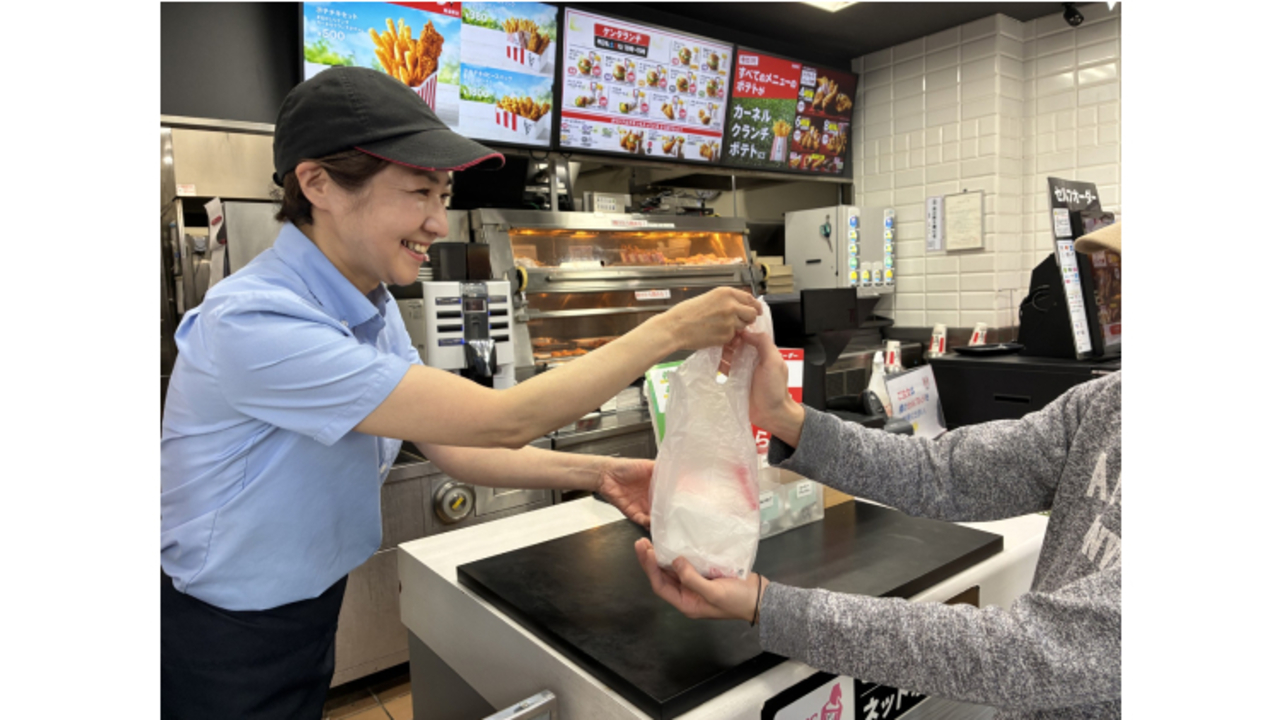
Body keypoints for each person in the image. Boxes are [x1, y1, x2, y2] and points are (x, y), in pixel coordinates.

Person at [161, 66, 760, 720]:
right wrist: (670, 328)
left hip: (305, 607)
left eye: (443, 195)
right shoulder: (255, 323)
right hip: (224, 631)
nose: (438, 223)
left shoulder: (369, 304)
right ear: (318, 183)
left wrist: (601, 473)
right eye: (420, 192)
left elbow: (453, 446)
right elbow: (503, 418)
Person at [637, 223, 1122, 719]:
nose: (1114, 300)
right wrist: (784, 417)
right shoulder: (1109, 403)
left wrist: (770, 607)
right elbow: (946, 473)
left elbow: (1030, 654)